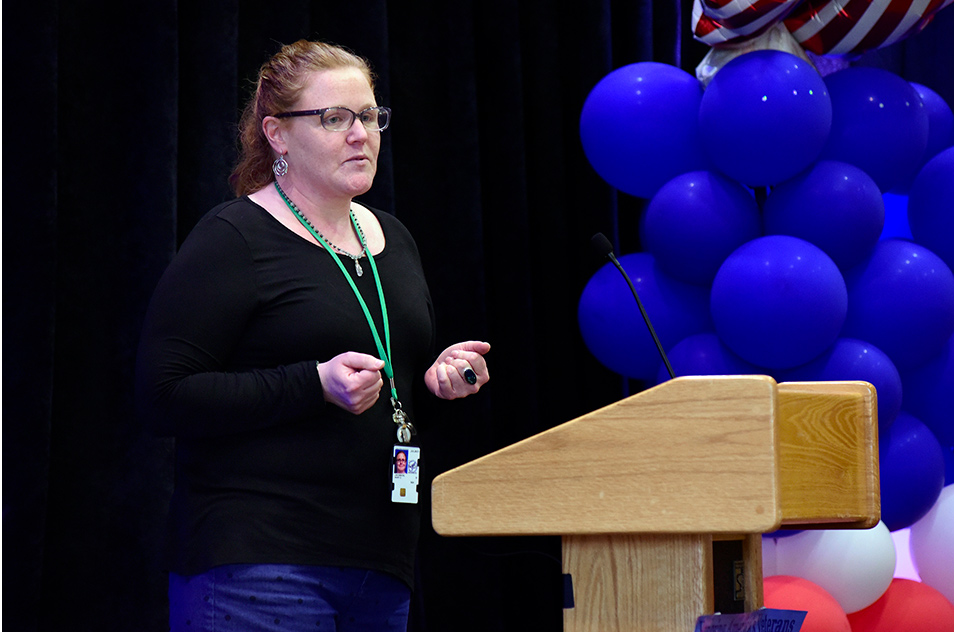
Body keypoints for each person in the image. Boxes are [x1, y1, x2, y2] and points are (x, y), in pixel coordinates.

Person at [135, 39, 490, 632]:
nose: (362, 134)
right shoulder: (235, 238)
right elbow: (162, 396)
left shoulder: (394, 241)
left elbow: (388, 398)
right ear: (277, 133)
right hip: (259, 564)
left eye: (371, 116)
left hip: (379, 565)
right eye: (335, 118)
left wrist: (434, 384)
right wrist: (312, 384)